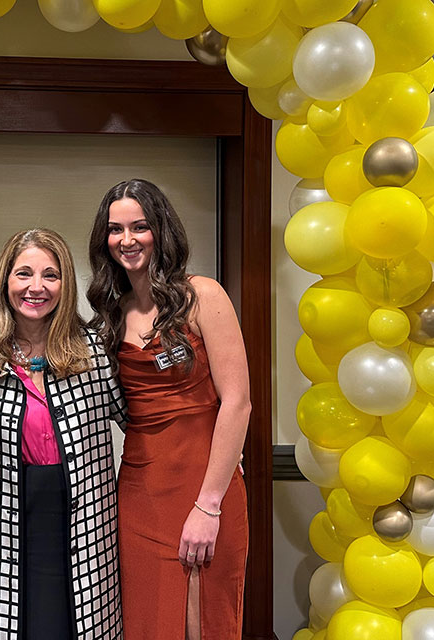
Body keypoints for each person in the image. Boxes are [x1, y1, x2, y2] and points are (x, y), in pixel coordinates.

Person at [87, 179, 251, 640]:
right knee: (147, 620)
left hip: (205, 488)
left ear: (161, 230)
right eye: (116, 229)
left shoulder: (202, 295)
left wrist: (209, 505)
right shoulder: (112, 312)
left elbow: (238, 402)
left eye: (140, 226)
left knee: (203, 621)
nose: (128, 239)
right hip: (140, 494)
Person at [0, 228, 127, 640]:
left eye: (51, 275)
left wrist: (209, 444)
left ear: (65, 284)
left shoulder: (95, 354)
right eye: (24, 273)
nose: (37, 287)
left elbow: (146, 421)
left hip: (82, 539)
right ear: (4, 281)